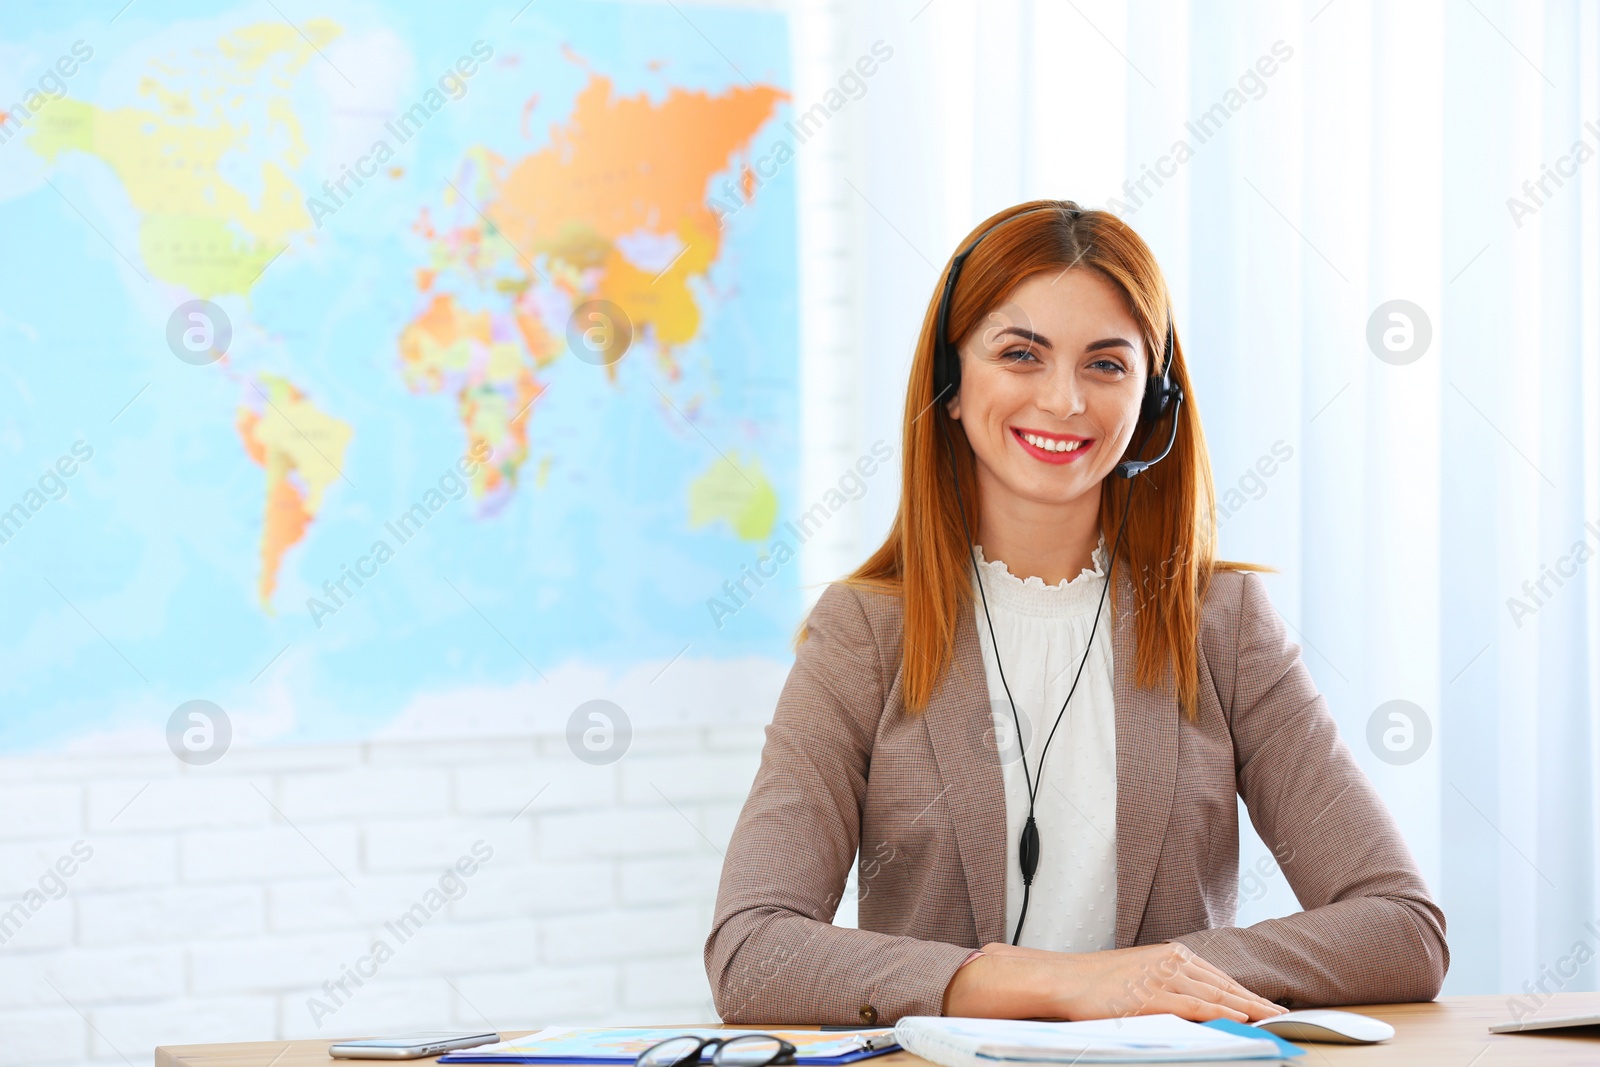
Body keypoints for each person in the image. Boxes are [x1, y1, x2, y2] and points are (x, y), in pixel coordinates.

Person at [703, 200, 1447, 1026]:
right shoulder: (867, 631)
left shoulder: (1221, 623)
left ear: (1152, 401)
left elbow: (1402, 928)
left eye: (1106, 364)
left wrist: (1158, 974)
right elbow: (753, 950)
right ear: (951, 386)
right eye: (1021, 353)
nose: (1063, 401)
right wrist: (1054, 984)